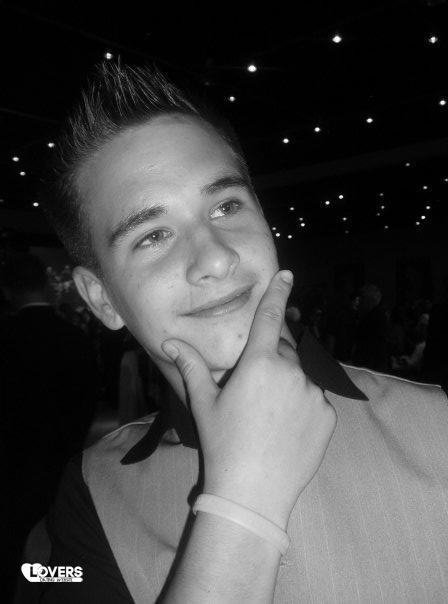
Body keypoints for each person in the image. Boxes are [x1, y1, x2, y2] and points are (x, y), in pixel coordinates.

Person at [32, 62, 447, 603]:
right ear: (102, 299)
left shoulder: (438, 426)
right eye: (153, 236)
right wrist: (241, 506)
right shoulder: (91, 495)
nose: (215, 258)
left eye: (226, 206)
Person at [0, 252, 98, 599]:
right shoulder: (75, 338)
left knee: (14, 546)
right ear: (45, 284)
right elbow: (88, 400)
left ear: (8, 290)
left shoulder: (6, 337)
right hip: (64, 462)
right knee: (63, 546)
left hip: (12, 468)